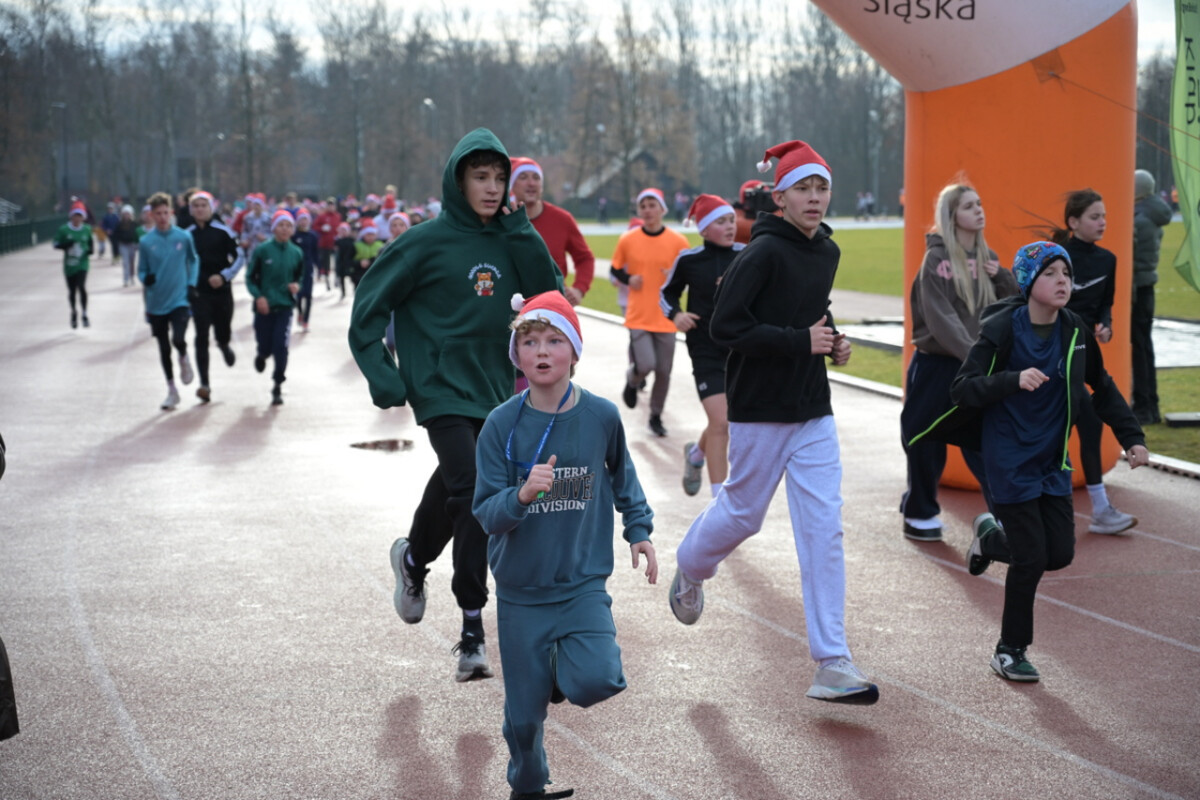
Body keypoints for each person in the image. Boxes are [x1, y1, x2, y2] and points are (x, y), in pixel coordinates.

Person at [668, 140, 879, 705]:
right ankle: (691, 566)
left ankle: (832, 661)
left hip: (813, 410)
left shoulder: (827, 250)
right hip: (760, 410)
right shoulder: (759, 253)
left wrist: (832, 340)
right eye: (802, 188)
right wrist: (797, 342)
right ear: (779, 197)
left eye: (822, 187)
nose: (815, 197)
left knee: (824, 529)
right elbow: (725, 328)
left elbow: (812, 312)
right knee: (743, 515)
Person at [349, 128, 563, 682]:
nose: (492, 188)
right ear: (457, 181)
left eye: (499, 178)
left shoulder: (513, 237)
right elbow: (367, 308)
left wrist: (521, 232)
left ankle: (412, 558)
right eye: (480, 177)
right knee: (474, 490)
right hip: (438, 385)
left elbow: (550, 297)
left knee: (454, 482)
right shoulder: (423, 242)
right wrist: (385, 376)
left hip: (494, 389)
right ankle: (472, 627)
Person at [473, 292, 657, 800]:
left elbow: (624, 476)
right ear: (516, 354)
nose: (542, 351)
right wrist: (520, 495)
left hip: (581, 583)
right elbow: (485, 512)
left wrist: (639, 529)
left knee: (599, 678)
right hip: (521, 591)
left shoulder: (601, 415)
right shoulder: (499, 425)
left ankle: (557, 673)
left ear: (574, 350)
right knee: (523, 722)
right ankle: (528, 786)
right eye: (530, 341)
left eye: (555, 340)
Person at [951, 242, 1149, 681]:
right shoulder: (1002, 329)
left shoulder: (1075, 330)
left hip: (1052, 459)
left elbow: (1102, 386)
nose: (1063, 281)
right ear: (1028, 282)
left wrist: (1131, 437)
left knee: (1057, 554)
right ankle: (1009, 651)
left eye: (1067, 273)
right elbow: (962, 389)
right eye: (1051, 273)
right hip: (1009, 458)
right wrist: (1011, 380)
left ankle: (990, 540)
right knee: (1030, 558)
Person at [900, 183, 1017, 542]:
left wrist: (1002, 276)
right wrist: (975, 356)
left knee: (986, 443)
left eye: (979, 203)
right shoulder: (936, 261)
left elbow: (1012, 306)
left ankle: (1007, 517)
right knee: (923, 437)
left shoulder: (988, 258)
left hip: (976, 367)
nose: (979, 210)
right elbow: (941, 318)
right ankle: (919, 512)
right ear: (951, 216)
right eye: (969, 206)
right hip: (938, 366)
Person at [1052, 189, 1137, 534]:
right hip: (1052, 357)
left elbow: (1105, 305)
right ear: (1073, 222)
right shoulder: (1057, 257)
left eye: (1104, 216)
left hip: (1084, 356)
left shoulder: (1108, 260)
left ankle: (1100, 510)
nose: (1102, 222)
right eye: (1094, 217)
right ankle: (1011, 514)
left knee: (1090, 424)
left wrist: (1106, 325)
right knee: (1054, 431)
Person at [659, 193, 742, 497]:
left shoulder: (747, 255)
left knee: (728, 420)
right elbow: (666, 293)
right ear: (704, 229)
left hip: (742, 350)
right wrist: (676, 315)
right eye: (721, 222)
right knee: (721, 421)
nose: (730, 226)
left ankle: (696, 454)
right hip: (704, 349)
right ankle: (720, 502)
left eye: (731, 220)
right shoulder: (689, 259)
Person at [609, 188, 689, 437]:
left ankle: (656, 415)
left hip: (666, 316)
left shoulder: (678, 242)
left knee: (664, 371)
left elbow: (688, 276)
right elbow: (615, 268)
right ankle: (633, 379)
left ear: (663, 209)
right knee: (645, 364)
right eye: (643, 206)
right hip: (639, 314)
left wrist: (673, 276)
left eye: (652, 205)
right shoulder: (628, 239)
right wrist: (628, 278)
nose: (647, 210)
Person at [139, 192, 199, 411]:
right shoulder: (146, 242)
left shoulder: (183, 237)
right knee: (163, 347)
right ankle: (172, 390)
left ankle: (183, 356)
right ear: (152, 216)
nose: (163, 217)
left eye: (166, 213)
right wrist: (145, 278)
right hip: (157, 302)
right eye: (158, 214)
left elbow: (194, 260)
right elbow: (141, 270)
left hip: (179, 298)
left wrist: (191, 283)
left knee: (178, 338)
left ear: (171, 212)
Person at [509, 157, 596, 306]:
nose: (531, 183)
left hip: (553, 308)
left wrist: (579, 289)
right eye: (523, 177)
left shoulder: (562, 219)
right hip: (511, 306)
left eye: (536, 178)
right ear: (511, 185)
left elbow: (585, 258)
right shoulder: (502, 220)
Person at [186, 191, 244, 403]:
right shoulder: (187, 235)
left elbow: (239, 256)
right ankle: (204, 384)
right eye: (196, 206)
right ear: (191, 210)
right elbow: (182, 261)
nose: (200, 209)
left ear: (211, 208)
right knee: (201, 335)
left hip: (222, 291)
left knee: (222, 329)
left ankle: (224, 344)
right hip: (199, 293)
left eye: (204, 205)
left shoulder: (224, 232)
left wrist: (224, 276)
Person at [246, 209, 303, 406]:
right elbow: (250, 277)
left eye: (289, 226)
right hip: (264, 307)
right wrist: (258, 296)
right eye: (281, 225)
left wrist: (297, 286)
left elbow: (300, 276)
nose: (285, 229)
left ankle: (278, 384)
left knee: (281, 345)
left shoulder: (296, 252)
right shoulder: (262, 250)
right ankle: (262, 354)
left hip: (285, 307)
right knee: (265, 344)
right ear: (273, 228)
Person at [1132, 170, 1171, 426]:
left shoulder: (1140, 218)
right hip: (1147, 285)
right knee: (1145, 347)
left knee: (1140, 349)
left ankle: (1144, 407)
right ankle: (1150, 406)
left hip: (1138, 287)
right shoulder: (1154, 213)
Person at [53, 203, 94, 329]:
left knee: (81, 286)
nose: (77, 218)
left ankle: (85, 313)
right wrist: (66, 245)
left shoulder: (87, 229)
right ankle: (74, 312)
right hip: (69, 265)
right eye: (75, 216)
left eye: (80, 216)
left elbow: (90, 243)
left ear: (83, 217)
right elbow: (55, 244)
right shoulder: (64, 229)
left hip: (83, 263)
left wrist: (90, 250)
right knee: (72, 290)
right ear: (71, 216)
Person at [291, 207, 319, 332]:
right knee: (299, 294)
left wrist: (319, 267)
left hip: (308, 268)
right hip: (296, 269)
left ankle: (306, 321)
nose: (303, 222)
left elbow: (315, 253)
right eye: (301, 219)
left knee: (308, 295)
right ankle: (300, 313)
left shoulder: (313, 235)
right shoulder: (294, 236)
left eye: (305, 219)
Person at [315, 197, 342, 291]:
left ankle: (337, 279)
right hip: (325, 243)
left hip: (335, 243)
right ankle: (327, 280)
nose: (331, 207)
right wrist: (322, 228)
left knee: (337, 261)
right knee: (326, 263)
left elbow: (340, 227)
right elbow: (315, 226)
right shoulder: (322, 216)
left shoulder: (338, 216)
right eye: (329, 205)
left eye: (332, 205)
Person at [114, 204, 141, 287]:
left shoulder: (135, 224)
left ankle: (132, 277)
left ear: (131, 214)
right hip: (123, 245)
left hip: (132, 245)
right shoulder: (119, 224)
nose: (126, 215)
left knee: (131, 262)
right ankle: (126, 279)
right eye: (125, 214)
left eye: (128, 214)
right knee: (125, 262)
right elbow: (116, 235)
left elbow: (138, 234)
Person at [350, 223, 383, 290]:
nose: (370, 237)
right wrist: (359, 263)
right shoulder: (356, 245)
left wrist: (370, 262)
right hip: (359, 275)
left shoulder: (380, 245)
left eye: (372, 234)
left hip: (375, 275)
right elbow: (348, 261)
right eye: (368, 235)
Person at [334, 222, 356, 299]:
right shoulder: (337, 241)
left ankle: (355, 290)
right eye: (341, 230)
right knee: (341, 278)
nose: (343, 232)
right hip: (341, 262)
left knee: (353, 277)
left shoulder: (352, 240)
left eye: (345, 230)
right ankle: (343, 293)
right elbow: (336, 252)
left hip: (350, 262)